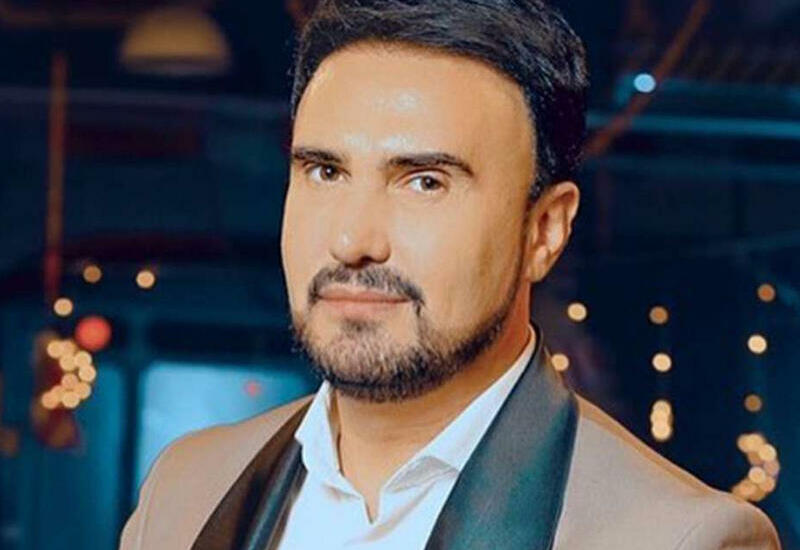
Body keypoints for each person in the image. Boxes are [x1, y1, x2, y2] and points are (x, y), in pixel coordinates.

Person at [119, 1, 782, 548]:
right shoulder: (188, 487)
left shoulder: (677, 537)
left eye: (425, 182)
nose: (352, 241)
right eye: (325, 171)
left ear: (544, 231)